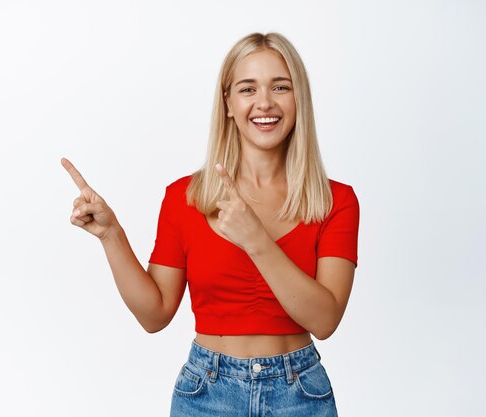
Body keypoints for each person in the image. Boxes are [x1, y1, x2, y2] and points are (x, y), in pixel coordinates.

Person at [61, 32, 359, 417]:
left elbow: (325, 320)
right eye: (248, 88)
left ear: (299, 98)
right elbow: (155, 315)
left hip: (299, 394)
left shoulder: (337, 200)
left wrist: (256, 240)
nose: (264, 102)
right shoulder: (184, 197)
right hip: (207, 392)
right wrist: (111, 234)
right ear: (229, 103)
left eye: (280, 87)